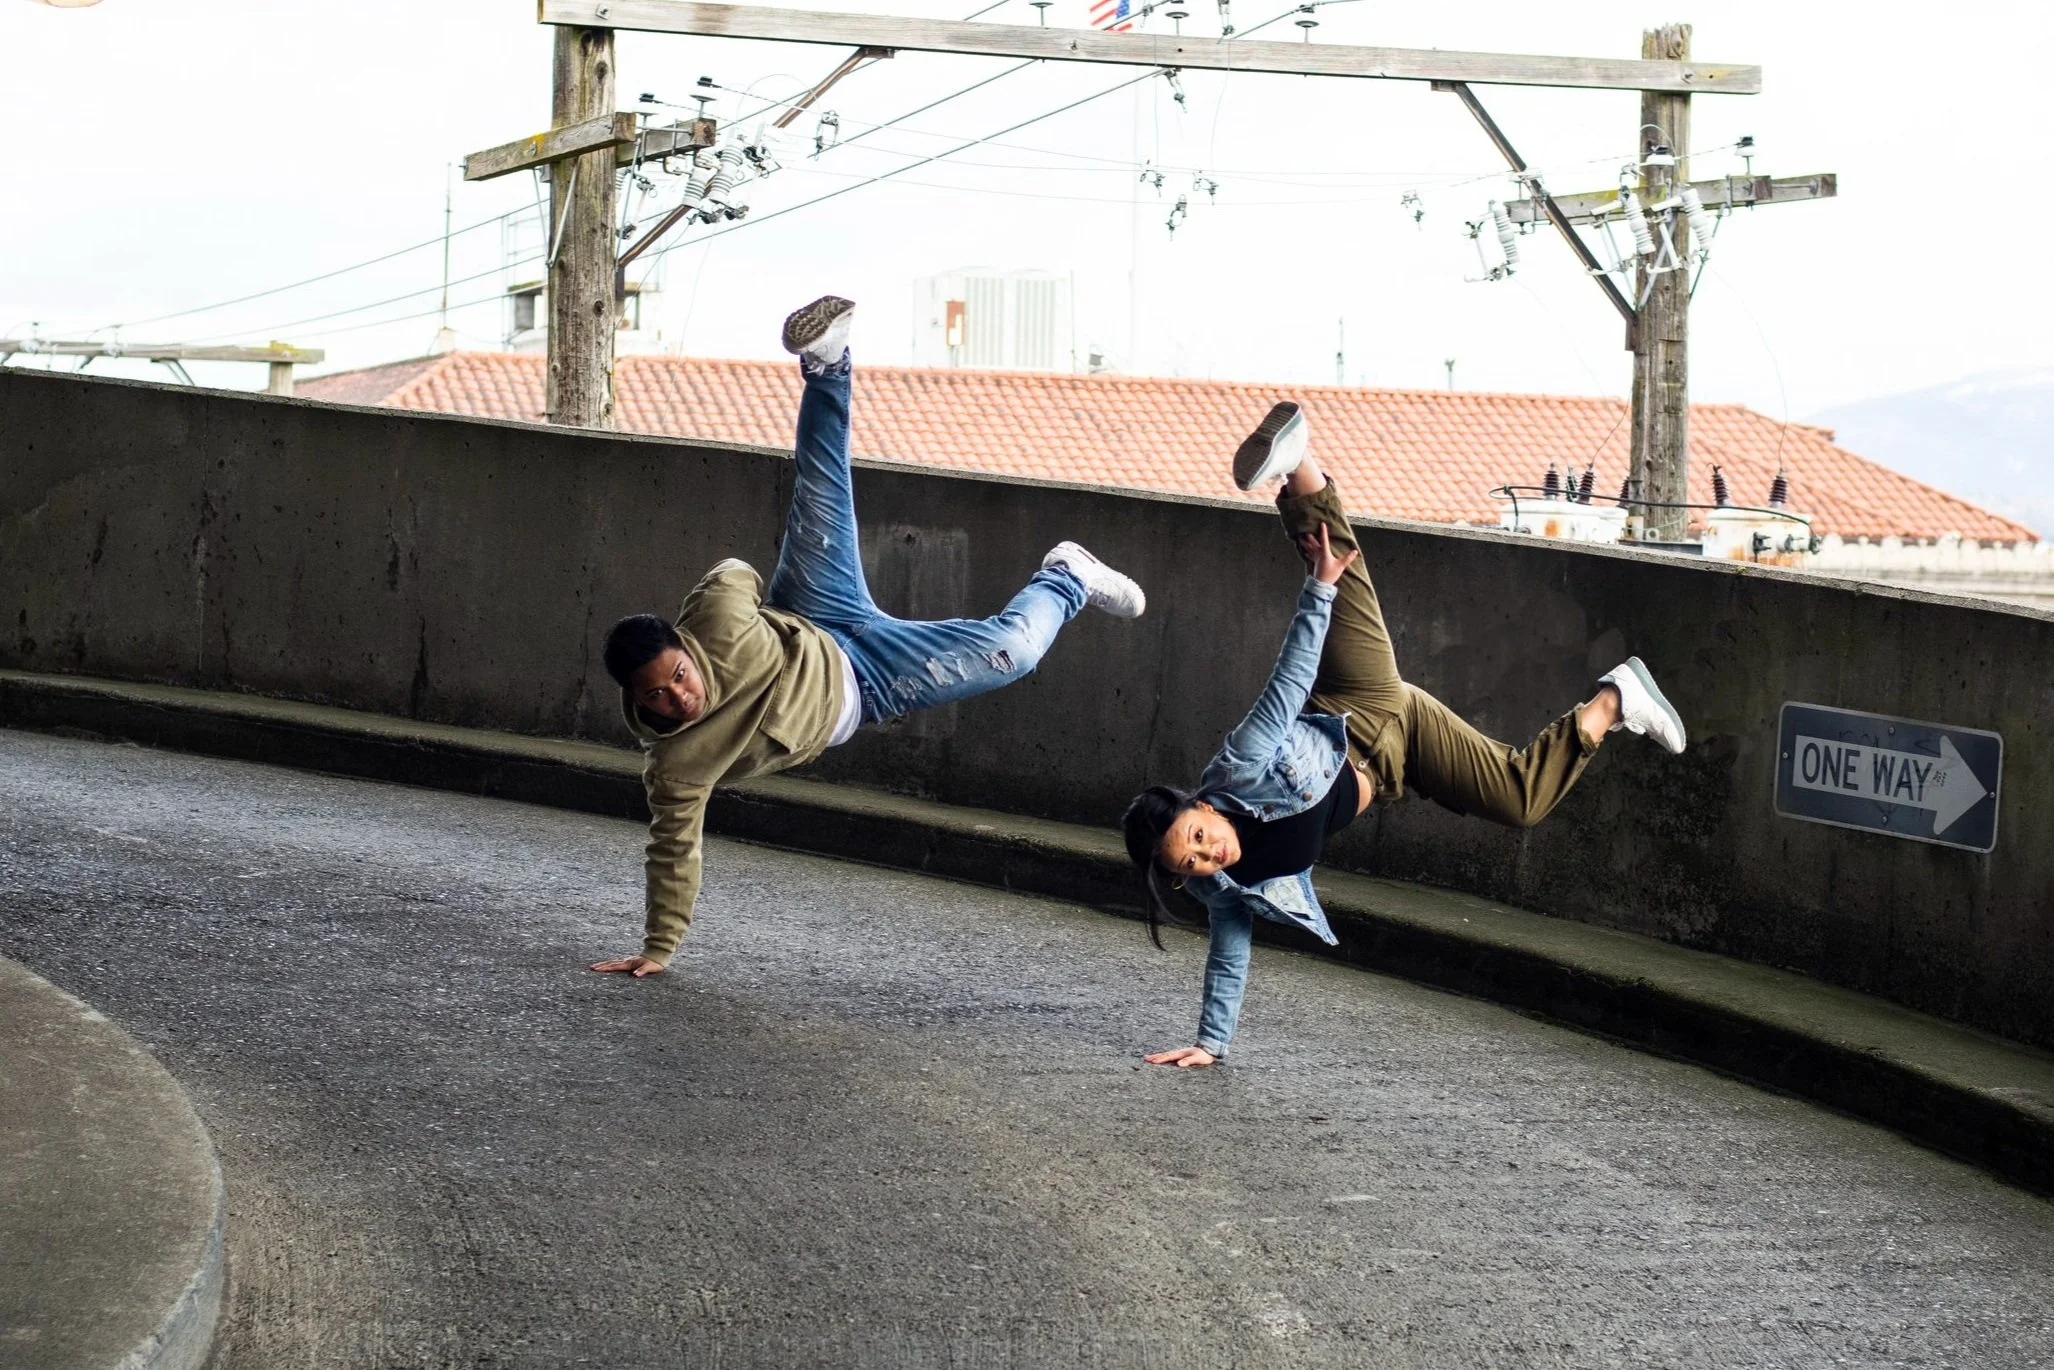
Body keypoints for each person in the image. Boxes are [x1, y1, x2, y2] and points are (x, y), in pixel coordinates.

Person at [593, 296, 1146, 977]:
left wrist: (773, 617)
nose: (680, 697)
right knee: (1012, 652)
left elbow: (735, 573)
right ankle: (1067, 575)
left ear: (684, 646)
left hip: (816, 615)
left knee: (822, 488)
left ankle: (827, 362)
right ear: (639, 705)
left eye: (680, 675)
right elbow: (674, 851)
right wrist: (659, 947)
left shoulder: (713, 621)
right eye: (659, 697)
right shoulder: (677, 768)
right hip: (869, 681)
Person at [1120, 401, 1686, 1065]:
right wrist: (1210, 1044)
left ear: (1200, 806)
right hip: (1396, 763)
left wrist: (1319, 596)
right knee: (1522, 800)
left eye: (1196, 837)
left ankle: (1298, 461)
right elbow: (1230, 949)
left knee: (1336, 569)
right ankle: (1615, 698)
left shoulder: (1240, 767)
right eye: (1191, 863)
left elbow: (1289, 683)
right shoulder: (1227, 886)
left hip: (1361, 707)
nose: (1208, 854)